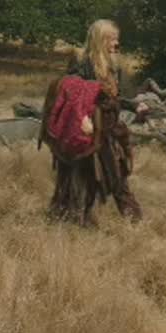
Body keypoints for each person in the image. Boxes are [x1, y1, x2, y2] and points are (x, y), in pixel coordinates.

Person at [48, 19, 145, 224]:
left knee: (117, 174)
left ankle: (134, 221)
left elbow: (114, 98)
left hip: (109, 128)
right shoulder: (82, 63)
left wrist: (134, 106)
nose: (116, 43)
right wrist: (83, 121)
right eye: (112, 39)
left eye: (117, 39)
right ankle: (74, 219)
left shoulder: (114, 66)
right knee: (86, 176)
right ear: (100, 39)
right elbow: (73, 94)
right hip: (89, 127)